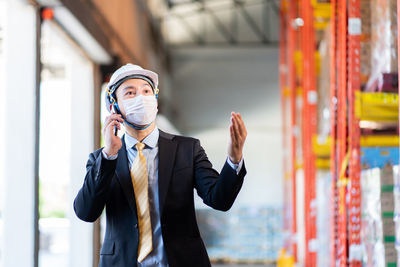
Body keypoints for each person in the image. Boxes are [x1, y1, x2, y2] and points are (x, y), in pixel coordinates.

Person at [74, 64, 247, 267]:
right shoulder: (101, 160)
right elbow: (86, 212)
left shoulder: (187, 149)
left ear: (154, 99)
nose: (141, 97)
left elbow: (219, 199)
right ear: (114, 105)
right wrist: (109, 155)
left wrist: (234, 159)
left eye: (146, 91)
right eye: (130, 92)